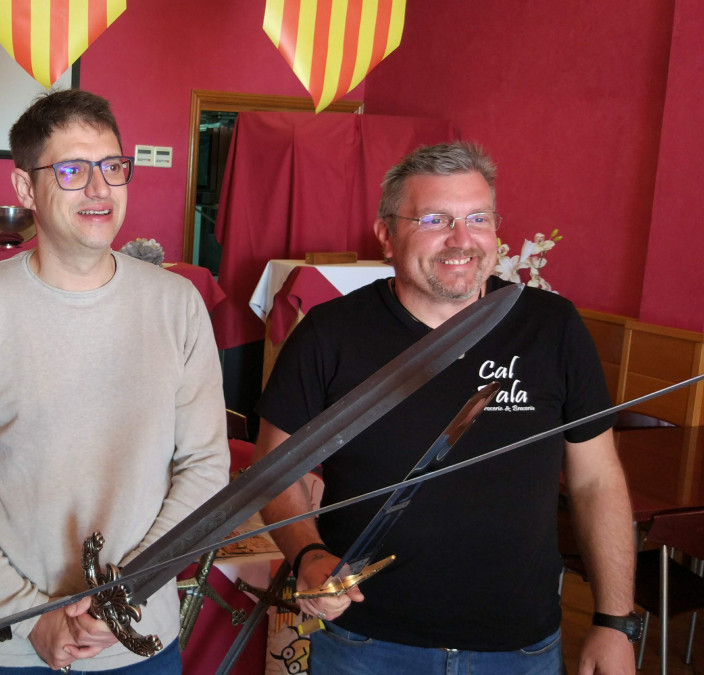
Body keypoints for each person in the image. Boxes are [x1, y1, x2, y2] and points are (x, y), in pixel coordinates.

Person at [254, 142, 637, 674]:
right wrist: (308, 554)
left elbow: (597, 480)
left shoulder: (551, 326)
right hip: (365, 642)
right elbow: (274, 469)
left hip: (519, 646)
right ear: (386, 233)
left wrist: (615, 621)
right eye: (435, 219)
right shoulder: (330, 333)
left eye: (478, 218)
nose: (461, 240)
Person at [0, 89, 228, 673]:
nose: (100, 188)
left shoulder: (177, 304)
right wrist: (30, 616)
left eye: (113, 167)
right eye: (73, 170)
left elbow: (205, 467)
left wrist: (125, 594)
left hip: (138, 642)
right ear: (25, 188)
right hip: (5, 647)